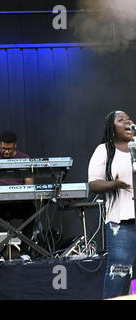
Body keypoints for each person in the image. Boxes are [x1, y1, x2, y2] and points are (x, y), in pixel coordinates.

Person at [88, 110, 135, 299]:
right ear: (111, 128)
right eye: (120, 120)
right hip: (122, 222)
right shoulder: (105, 150)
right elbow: (93, 183)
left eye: (129, 119)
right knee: (120, 272)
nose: (127, 121)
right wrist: (114, 184)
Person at [0, 130, 35, 258]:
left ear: (15, 146)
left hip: (17, 203)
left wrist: (22, 191)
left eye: (10, 149)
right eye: (3, 148)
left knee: (31, 210)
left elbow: (29, 185)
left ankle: (24, 251)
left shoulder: (24, 158)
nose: (6, 152)